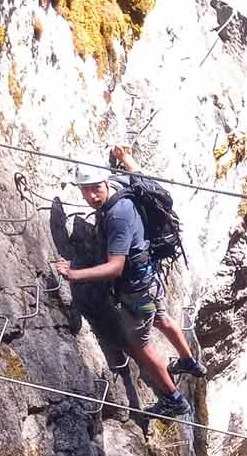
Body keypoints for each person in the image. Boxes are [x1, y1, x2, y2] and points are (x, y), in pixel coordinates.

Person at [53, 150, 204, 422]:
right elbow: (141, 178)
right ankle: (190, 362)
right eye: (84, 190)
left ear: (105, 182)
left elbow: (115, 267)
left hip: (135, 289)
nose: (91, 197)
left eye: (95, 189)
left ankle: (173, 400)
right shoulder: (122, 182)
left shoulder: (118, 217)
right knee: (161, 317)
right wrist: (127, 158)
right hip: (149, 275)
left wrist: (74, 275)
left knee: (138, 346)